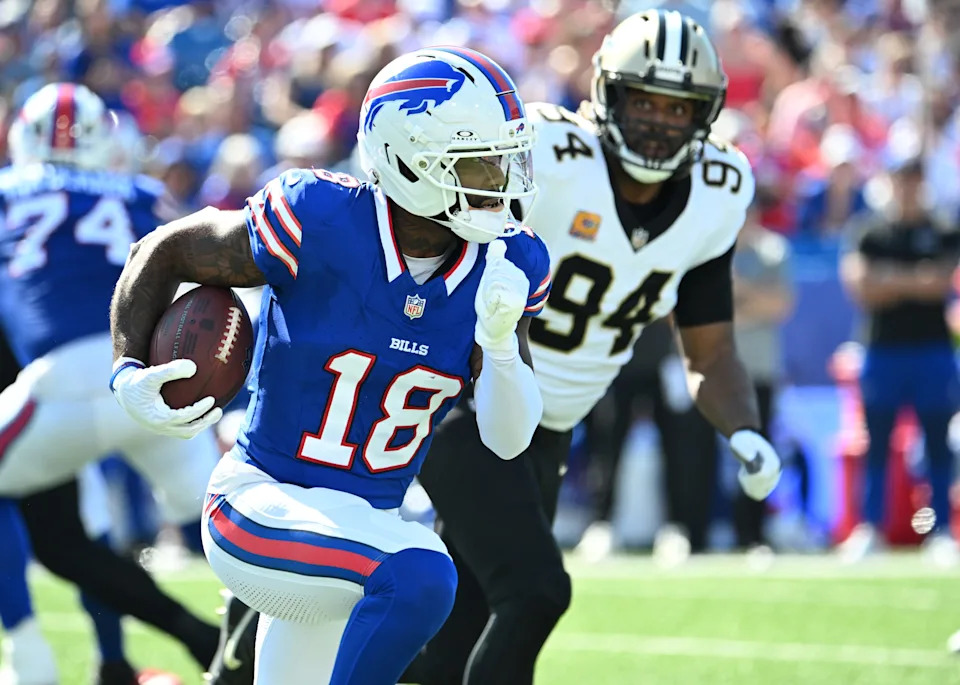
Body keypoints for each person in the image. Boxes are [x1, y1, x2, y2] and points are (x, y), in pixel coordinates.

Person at [109, 47, 550, 685]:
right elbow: (166, 249)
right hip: (261, 504)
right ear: (408, 160)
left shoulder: (509, 264)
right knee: (423, 573)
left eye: (507, 158)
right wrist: (126, 368)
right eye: (479, 161)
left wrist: (503, 343)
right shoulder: (321, 217)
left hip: (362, 524)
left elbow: (509, 441)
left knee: (406, 565)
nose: (500, 180)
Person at [403, 10, 782, 684]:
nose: (661, 120)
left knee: (463, 620)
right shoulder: (547, 152)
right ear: (607, 92)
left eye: (679, 106)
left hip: (548, 426)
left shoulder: (719, 193)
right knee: (534, 592)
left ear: (707, 114)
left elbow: (710, 346)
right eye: (644, 99)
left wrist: (744, 430)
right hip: (463, 394)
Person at [0, 83, 224, 684]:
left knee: (59, 523)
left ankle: (28, 657)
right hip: (156, 381)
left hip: (60, 385)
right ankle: (269, 646)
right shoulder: (144, 194)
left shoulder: (6, 194)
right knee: (234, 530)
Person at [839, 154, 960, 563]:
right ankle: (870, 527)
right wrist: (914, 279)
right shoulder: (869, 230)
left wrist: (889, 278)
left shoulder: (941, 227)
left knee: (937, 444)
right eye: (902, 179)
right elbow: (861, 285)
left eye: (914, 179)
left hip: (931, 351)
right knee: (876, 444)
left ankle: (938, 528)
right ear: (890, 182)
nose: (908, 188)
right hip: (882, 350)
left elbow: (939, 283)